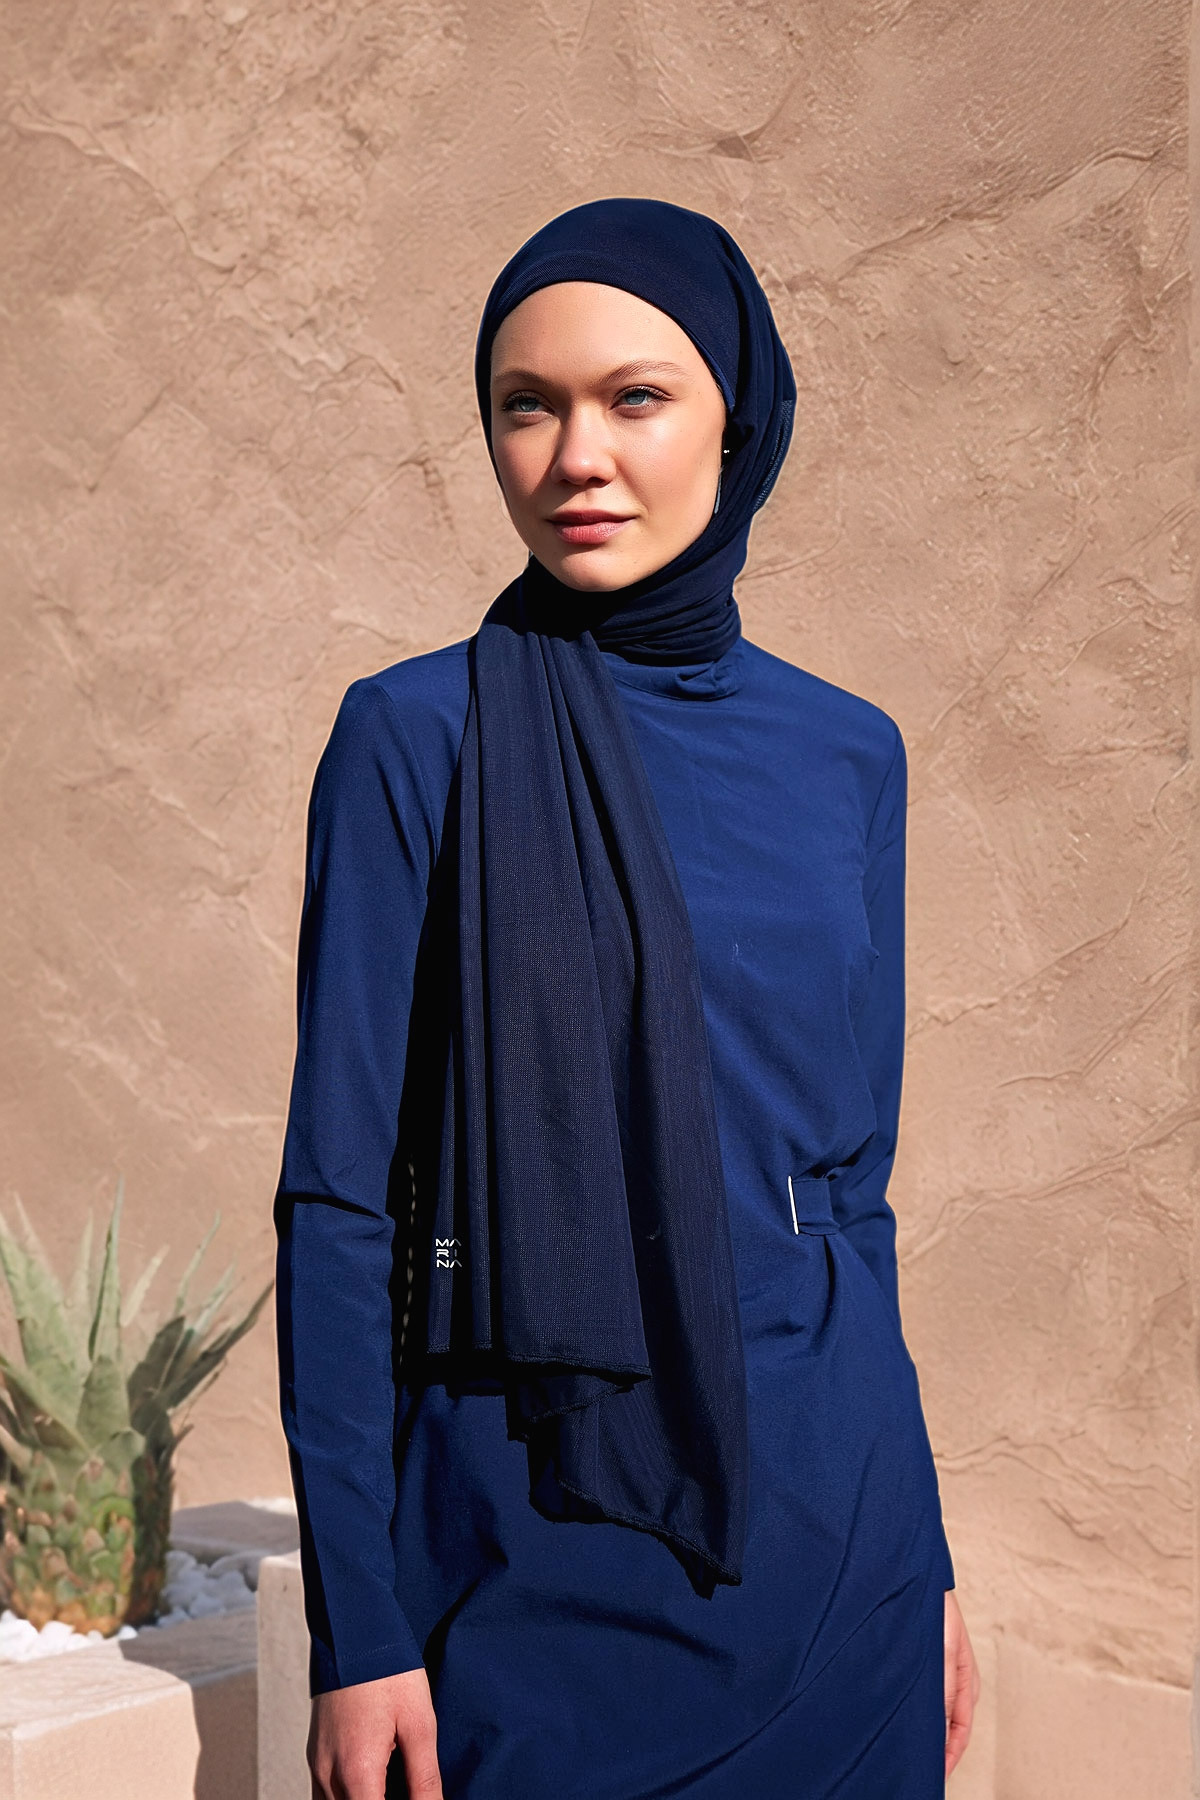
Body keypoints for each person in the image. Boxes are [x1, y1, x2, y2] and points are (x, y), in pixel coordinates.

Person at [273, 196, 980, 1800]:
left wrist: (929, 1556)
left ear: (740, 415)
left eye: (635, 398)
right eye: (527, 406)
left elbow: (850, 1198)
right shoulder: (417, 739)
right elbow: (340, 1205)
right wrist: (358, 1631)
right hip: (531, 1538)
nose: (575, 457)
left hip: (841, 1544)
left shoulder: (849, 755)